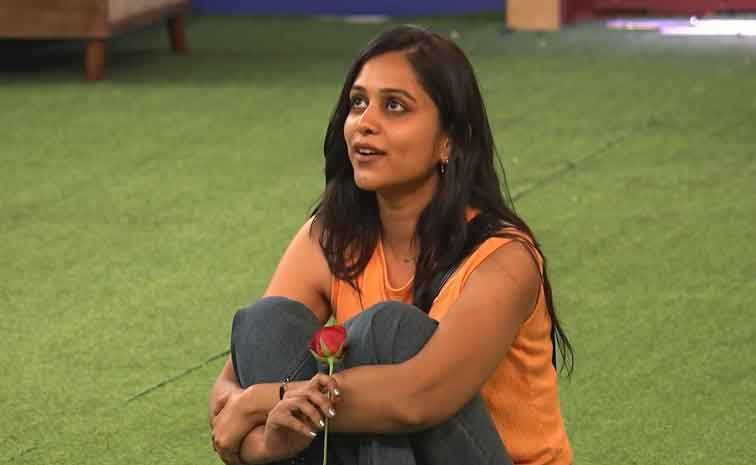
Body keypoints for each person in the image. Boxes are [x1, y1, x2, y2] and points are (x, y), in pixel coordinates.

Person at [209, 25, 574, 465]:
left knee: (389, 334)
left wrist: (262, 401)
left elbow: (419, 398)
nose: (365, 123)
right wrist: (267, 443)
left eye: (395, 106)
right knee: (266, 321)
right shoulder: (331, 237)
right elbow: (230, 389)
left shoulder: (505, 260)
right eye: (357, 103)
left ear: (448, 140)